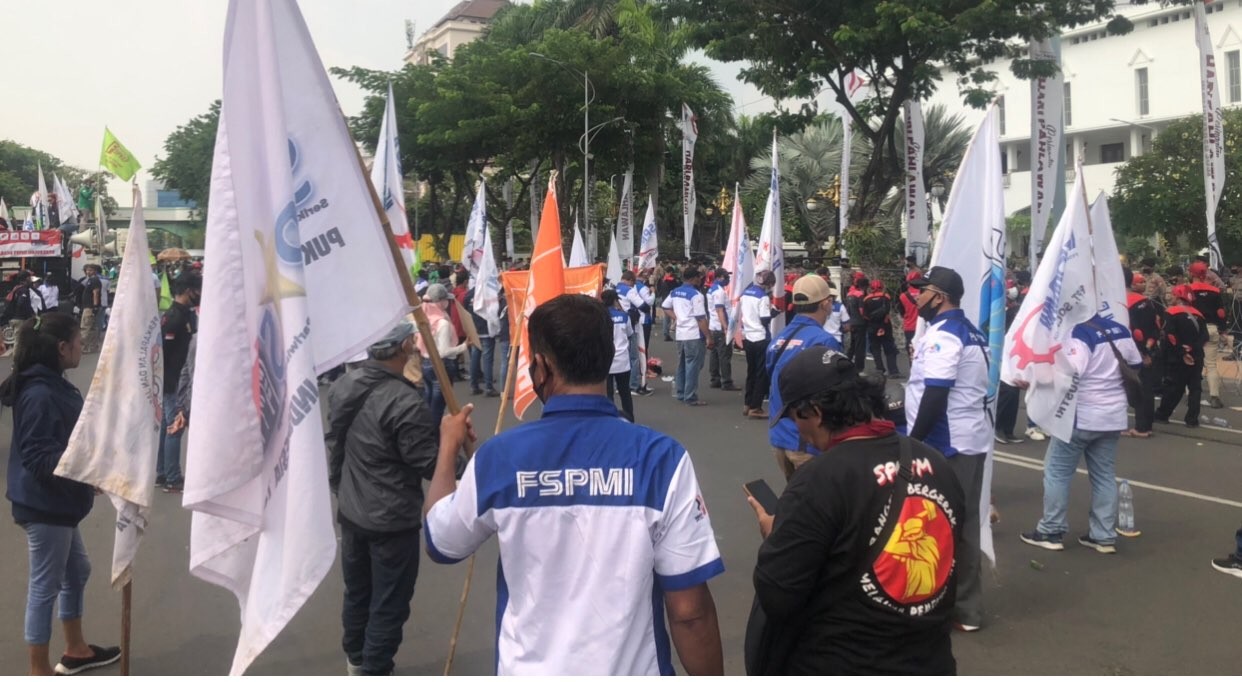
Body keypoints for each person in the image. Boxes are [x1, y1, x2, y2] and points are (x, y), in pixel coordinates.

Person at [423, 294, 725, 675]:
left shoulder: (498, 458)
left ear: (541, 368)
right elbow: (690, 612)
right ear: (608, 354)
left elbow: (442, 540)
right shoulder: (662, 459)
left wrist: (448, 448)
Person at [744, 348, 964, 675]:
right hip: (929, 662)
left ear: (814, 412)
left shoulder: (818, 481)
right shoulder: (937, 464)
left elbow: (778, 595)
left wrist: (775, 536)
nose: (797, 430)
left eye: (794, 418)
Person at [3, 313, 121, 675]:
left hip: (56, 502)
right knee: (45, 585)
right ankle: (38, 670)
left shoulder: (53, 383)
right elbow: (40, 457)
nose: (81, 347)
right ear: (61, 347)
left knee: (77, 570)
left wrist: (87, 471)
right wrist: (85, 472)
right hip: (44, 505)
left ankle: (76, 649)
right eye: (77, 341)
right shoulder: (40, 392)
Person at [326, 322, 440, 676]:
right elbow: (430, 463)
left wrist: (340, 489)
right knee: (388, 603)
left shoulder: (345, 383)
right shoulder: (404, 400)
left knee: (358, 592)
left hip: (352, 509)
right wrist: (455, 447)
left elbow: (335, 442)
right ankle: (374, 668)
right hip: (391, 518)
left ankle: (355, 660)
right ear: (405, 345)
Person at [904, 266, 990, 632]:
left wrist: (913, 442)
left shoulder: (946, 335)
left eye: (922, 292)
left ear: (939, 296)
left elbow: (936, 393)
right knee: (963, 524)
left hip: (947, 443)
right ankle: (962, 608)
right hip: (966, 437)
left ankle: (946, 605)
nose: (916, 297)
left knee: (940, 526)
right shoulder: (969, 330)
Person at [1018, 312, 1142, 554]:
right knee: (1104, 474)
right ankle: (1103, 535)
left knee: (1057, 473)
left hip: (1080, 416)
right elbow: (1136, 363)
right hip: (1113, 415)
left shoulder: (1077, 333)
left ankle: (1051, 530)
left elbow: (1069, 373)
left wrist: (1034, 379)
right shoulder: (1119, 329)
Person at [767, 275, 843, 480]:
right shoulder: (823, 341)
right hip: (808, 442)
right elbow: (833, 395)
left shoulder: (779, 338)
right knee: (820, 506)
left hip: (779, 434)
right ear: (825, 304)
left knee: (796, 501)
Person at [155, 272, 201, 493]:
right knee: (175, 427)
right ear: (187, 291)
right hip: (173, 381)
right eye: (197, 290)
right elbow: (165, 352)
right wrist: (170, 382)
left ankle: (163, 472)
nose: (200, 295)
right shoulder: (175, 318)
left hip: (174, 380)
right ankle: (173, 477)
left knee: (167, 427)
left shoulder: (183, 314)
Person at [1155, 285, 1210, 427]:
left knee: (1173, 387)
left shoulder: (1171, 312)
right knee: (1195, 387)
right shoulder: (1199, 314)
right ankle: (1192, 419)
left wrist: (1182, 351)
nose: (1169, 297)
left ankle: (1163, 414)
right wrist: (1193, 348)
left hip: (1177, 357)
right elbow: (1205, 336)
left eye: (1172, 295)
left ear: (1179, 297)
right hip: (1197, 356)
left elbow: (1170, 335)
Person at [416, 284, 468, 425]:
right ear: (440, 301)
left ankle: (429, 438)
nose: (447, 303)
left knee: (429, 405)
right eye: (446, 300)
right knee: (437, 410)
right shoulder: (442, 323)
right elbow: (443, 352)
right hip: (441, 366)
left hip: (426, 365)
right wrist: (464, 347)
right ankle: (437, 442)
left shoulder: (424, 318)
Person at [662, 266, 714, 406]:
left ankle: (681, 392)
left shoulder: (675, 291)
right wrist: (708, 336)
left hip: (681, 333)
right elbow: (701, 318)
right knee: (693, 365)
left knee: (682, 364)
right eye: (698, 277)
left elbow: (665, 306)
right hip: (694, 334)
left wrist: (677, 318)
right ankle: (690, 396)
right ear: (693, 278)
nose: (700, 280)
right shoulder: (696, 295)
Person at [1126, 269, 1163, 437]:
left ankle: (1141, 427)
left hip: (1132, 353)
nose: (1142, 284)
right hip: (1147, 349)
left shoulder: (1123, 303)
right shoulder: (1147, 302)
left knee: (1135, 389)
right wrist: (1149, 347)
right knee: (1145, 387)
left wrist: (1141, 352)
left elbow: (1134, 331)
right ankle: (1146, 425)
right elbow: (1156, 327)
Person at [1187, 261, 1228, 409]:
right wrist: (1223, 330)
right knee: (1211, 365)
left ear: (1191, 273)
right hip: (1211, 329)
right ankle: (1214, 396)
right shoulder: (1214, 291)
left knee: (1190, 362)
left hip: (1192, 330)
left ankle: (1190, 395)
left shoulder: (1187, 290)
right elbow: (1221, 313)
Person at [741, 271, 776, 419]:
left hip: (748, 336)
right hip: (761, 337)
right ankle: (756, 407)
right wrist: (774, 313)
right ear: (768, 284)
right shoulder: (763, 297)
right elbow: (764, 320)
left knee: (751, 371)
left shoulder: (746, 293)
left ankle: (747, 403)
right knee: (762, 374)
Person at [602, 289, 635, 421]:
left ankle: (609, 419)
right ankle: (630, 418)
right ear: (615, 301)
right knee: (625, 392)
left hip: (606, 360)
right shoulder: (624, 316)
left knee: (608, 393)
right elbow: (630, 333)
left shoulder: (600, 316)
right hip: (622, 360)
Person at [706, 268, 738, 392]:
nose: (728, 279)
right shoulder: (719, 292)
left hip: (713, 326)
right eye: (726, 277)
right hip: (720, 327)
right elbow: (720, 310)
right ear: (719, 277)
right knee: (724, 355)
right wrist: (726, 327)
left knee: (714, 355)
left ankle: (715, 379)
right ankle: (727, 381)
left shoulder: (711, 289)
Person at [463, 285, 498, 397]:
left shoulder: (469, 294)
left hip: (474, 330)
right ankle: (488, 387)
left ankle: (474, 386)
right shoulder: (489, 292)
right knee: (487, 359)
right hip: (486, 329)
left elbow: (465, 310)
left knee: (475, 357)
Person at [862, 279, 901, 378]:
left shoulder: (866, 299)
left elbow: (864, 315)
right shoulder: (886, 297)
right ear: (881, 286)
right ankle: (893, 371)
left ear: (871, 288)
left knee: (875, 349)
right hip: (885, 325)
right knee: (889, 348)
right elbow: (888, 312)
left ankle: (880, 369)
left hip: (872, 326)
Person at [616, 271, 646, 393]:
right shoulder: (629, 290)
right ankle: (633, 384)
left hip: (614, 325)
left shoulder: (613, 288)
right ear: (629, 280)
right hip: (629, 324)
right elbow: (643, 305)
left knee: (617, 354)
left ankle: (617, 385)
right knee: (633, 357)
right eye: (633, 283)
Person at [77, 264, 104, 354]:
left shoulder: (94, 280)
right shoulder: (90, 280)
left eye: (90, 270)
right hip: (89, 307)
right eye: (87, 270)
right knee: (92, 328)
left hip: (89, 307)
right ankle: (93, 347)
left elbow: (95, 293)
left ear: (95, 271)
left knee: (85, 327)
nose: (88, 272)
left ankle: (83, 348)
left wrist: (95, 306)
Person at [845, 273, 869, 370]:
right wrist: (867, 318)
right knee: (860, 347)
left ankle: (846, 362)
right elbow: (861, 310)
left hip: (852, 322)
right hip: (860, 323)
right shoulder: (860, 295)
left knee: (853, 345)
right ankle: (859, 368)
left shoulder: (849, 294)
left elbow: (847, 310)